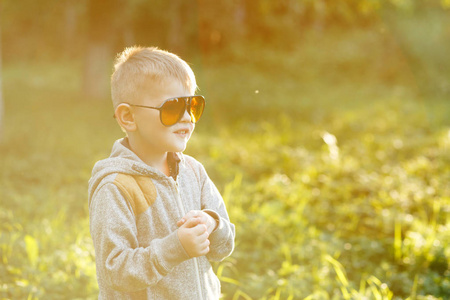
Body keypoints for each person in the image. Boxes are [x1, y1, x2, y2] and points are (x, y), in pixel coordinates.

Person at [88, 46, 235, 299]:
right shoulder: (116, 186)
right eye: (172, 108)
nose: (188, 117)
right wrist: (175, 248)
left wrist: (213, 224)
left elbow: (224, 246)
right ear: (128, 117)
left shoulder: (193, 172)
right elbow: (114, 270)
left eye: (193, 105)